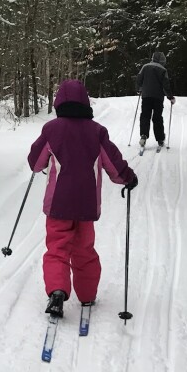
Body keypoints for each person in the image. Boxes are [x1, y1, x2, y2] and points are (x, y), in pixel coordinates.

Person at [27, 79, 138, 317]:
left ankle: (57, 291)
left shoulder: (52, 130)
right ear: (85, 102)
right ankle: (87, 295)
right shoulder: (96, 131)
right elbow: (113, 164)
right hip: (86, 205)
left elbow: (35, 163)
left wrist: (43, 162)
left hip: (57, 205)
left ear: (59, 102)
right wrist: (128, 178)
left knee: (57, 249)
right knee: (84, 250)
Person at [136, 51, 175, 148]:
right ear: (162, 60)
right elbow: (166, 85)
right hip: (158, 97)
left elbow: (139, 78)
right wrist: (170, 97)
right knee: (157, 117)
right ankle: (160, 139)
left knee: (145, 115)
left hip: (146, 96)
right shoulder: (163, 70)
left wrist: (139, 89)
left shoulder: (145, 67)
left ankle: (143, 135)